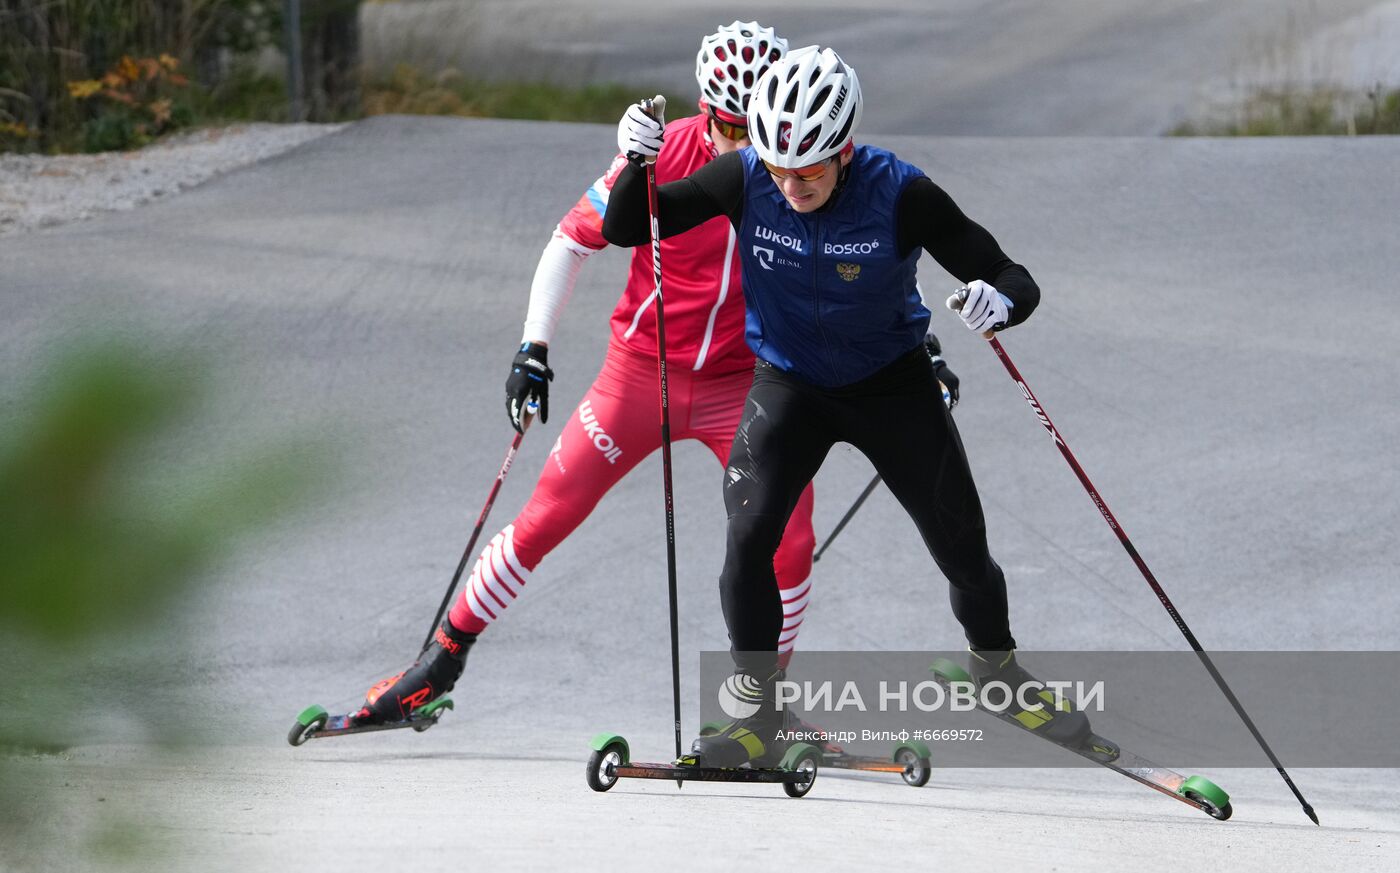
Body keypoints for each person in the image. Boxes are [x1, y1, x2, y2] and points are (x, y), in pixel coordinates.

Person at [347, 24, 961, 728]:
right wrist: (533, 348)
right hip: (640, 374)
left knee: (788, 541)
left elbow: (862, 275)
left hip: (745, 381)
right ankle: (439, 663)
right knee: (549, 513)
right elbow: (571, 239)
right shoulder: (664, 155)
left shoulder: (797, 174)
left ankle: (758, 706)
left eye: (754, 127)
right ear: (705, 109)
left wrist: (923, 354)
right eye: (728, 125)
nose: (744, 145)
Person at [603, 45, 1088, 768]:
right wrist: (634, 164)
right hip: (790, 385)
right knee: (747, 538)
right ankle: (758, 715)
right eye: (778, 169)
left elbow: (1010, 273)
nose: (792, 185)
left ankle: (998, 672)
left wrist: (1001, 300)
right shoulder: (745, 177)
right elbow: (629, 226)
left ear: (845, 149)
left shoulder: (901, 193)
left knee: (963, 549)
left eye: (810, 171)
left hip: (891, 386)